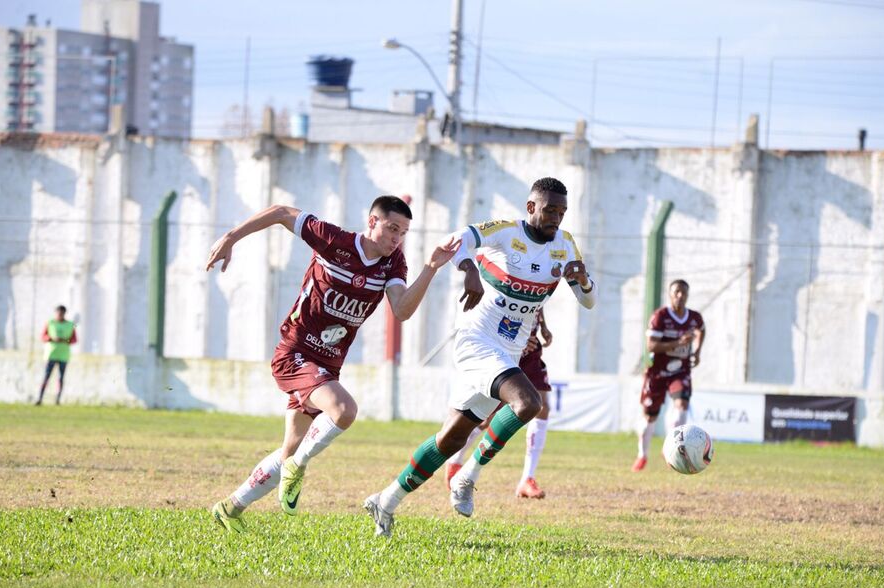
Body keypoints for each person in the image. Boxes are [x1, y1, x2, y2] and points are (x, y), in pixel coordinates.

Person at [207, 196, 460, 532]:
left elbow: (401, 310)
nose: (396, 238)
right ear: (372, 222)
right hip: (295, 352)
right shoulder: (334, 241)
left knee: (290, 448)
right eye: (391, 228)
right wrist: (231, 237)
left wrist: (430, 268)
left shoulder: (393, 263)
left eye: (403, 232)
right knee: (343, 410)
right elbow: (282, 213)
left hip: (328, 364)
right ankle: (299, 465)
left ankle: (230, 507)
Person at [363, 177, 596, 538]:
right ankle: (467, 477)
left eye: (562, 212)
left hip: (509, 349)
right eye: (550, 210)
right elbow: (455, 241)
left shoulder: (565, 245)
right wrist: (469, 268)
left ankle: (386, 500)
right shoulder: (505, 232)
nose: (556, 218)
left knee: (451, 439)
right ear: (531, 207)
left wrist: (584, 282)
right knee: (528, 403)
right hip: (476, 341)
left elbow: (588, 301)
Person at [443, 308, 554, 499]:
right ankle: (455, 461)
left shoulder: (546, 280)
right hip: (504, 348)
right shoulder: (502, 279)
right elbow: (498, 306)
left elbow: (539, 298)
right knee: (488, 417)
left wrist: (543, 325)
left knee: (542, 407)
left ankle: (527, 479)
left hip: (531, 350)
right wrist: (517, 339)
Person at [632, 279, 706, 471]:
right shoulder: (660, 316)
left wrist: (697, 352)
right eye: (676, 292)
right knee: (650, 417)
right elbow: (651, 346)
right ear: (670, 294)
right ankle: (642, 455)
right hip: (657, 372)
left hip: (680, 370)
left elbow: (702, 330)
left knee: (681, 406)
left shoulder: (694, 317)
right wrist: (679, 343)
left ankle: (671, 449)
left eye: (684, 293)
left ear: (688, 296)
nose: (680, 296)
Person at [35, 305, 77, 406]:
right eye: (58, 313)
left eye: (62, 313)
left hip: (63, 355)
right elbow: (43, 336)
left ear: (64, 314)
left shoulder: (70, 325)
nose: (60, 315)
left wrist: (64, 340)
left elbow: (74, 339)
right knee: (46, 376)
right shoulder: (50, 323)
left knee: (61, 378)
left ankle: (58, 399)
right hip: (51, 354)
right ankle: (40, 398)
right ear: (56, 313)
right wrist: (51, 338)